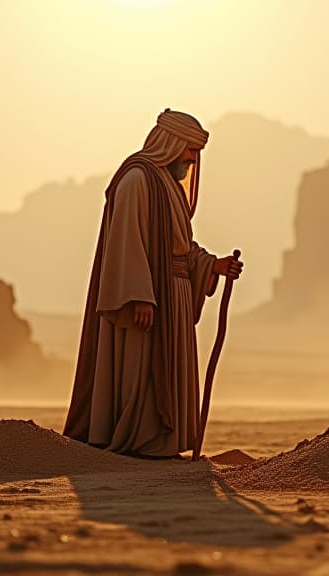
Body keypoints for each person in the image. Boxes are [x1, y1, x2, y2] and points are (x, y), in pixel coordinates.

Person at [63, 109, 243, 458]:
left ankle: (164, 443)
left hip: (173, 293)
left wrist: (213, 266)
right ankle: (140, 441)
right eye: (190, 150)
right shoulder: (136, 181)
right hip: (149, 298)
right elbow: (126, 243)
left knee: (168, 370)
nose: (193, 159)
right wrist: (139, 297)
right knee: (141, 368)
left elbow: (181, 248)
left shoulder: (169, 188)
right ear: (172, 143)